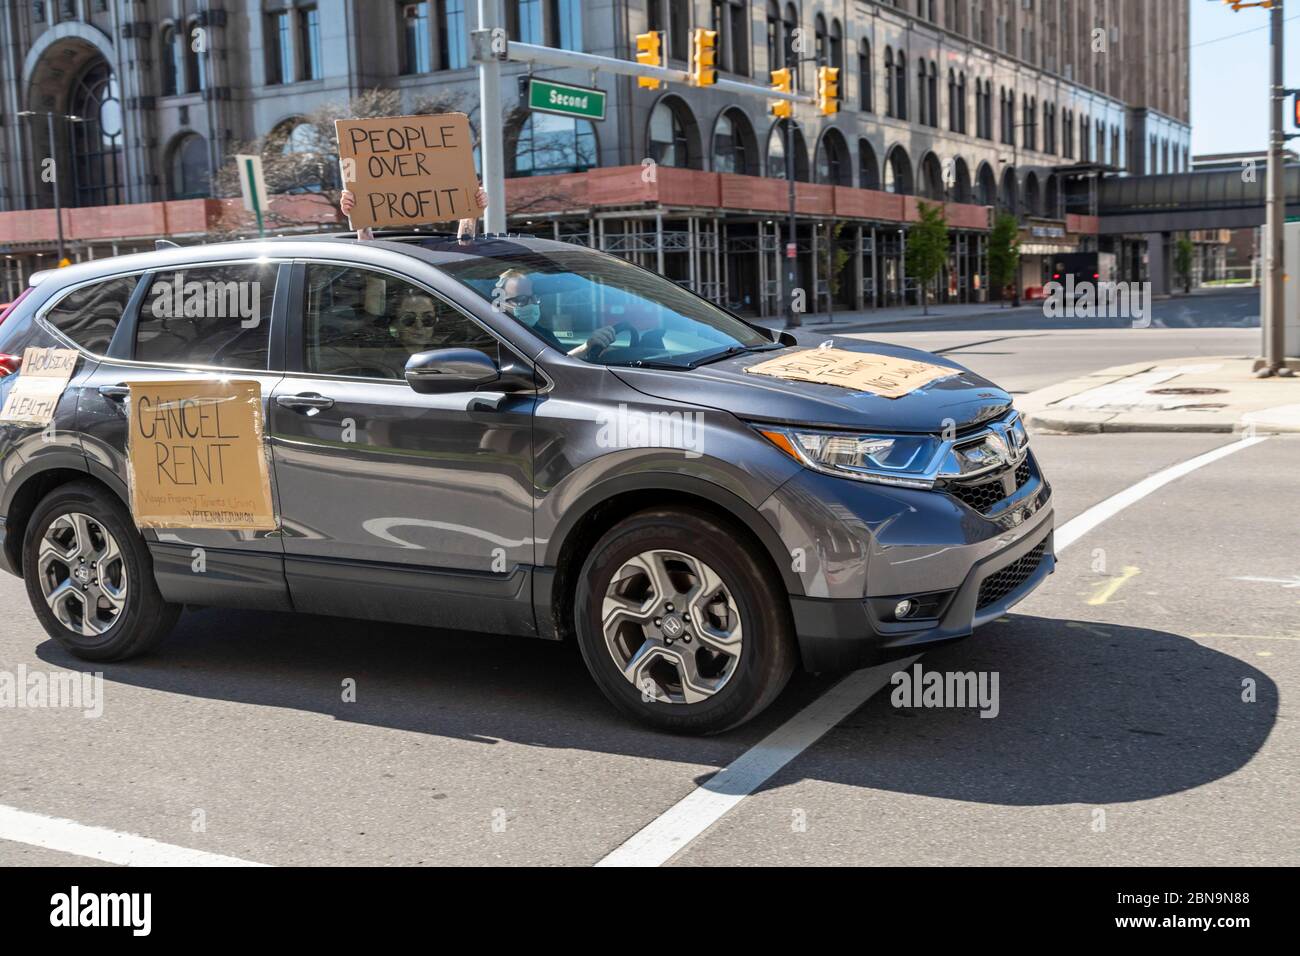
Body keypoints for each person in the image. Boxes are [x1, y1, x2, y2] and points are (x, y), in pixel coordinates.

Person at [339, 187, 619, 358]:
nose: (421, 327)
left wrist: (469, 212)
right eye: (410, 319)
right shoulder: (385, 354)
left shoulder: (461, 347)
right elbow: (374, 289)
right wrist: (362, 225)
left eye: (428, 319)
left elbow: (462, 258)